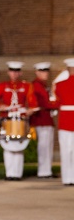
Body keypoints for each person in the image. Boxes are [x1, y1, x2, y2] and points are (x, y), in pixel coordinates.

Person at [0, 61, 37, 181]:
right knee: (8, 146)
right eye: (12, 71)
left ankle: (17, 174)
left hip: (20, 118)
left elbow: (33, 103)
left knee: (19, 147)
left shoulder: (26, 86)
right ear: (8, 72)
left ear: (20, 73)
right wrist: (2, 106)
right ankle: (9, 173)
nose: (14, 74)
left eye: (16, 71)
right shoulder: (3, 86)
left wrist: (30, 110)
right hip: (7, 117)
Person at [29, 62, 56, 178]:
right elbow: (43, 103)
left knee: (48, 146)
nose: (45, 74)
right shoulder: (36, 85)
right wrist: (58, 104)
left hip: (47, 119)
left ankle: (47, 170)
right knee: (44, 146)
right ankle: (43, 171)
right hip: (41, 119)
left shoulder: (43, 85)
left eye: (46, 71)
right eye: (43, 71)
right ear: (37, 72)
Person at [54, 58, 74, 186]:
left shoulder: (60, 85)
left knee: (66, 151)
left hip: (65, 121)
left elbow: (56, 102)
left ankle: (67, 179)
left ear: (68, 69)